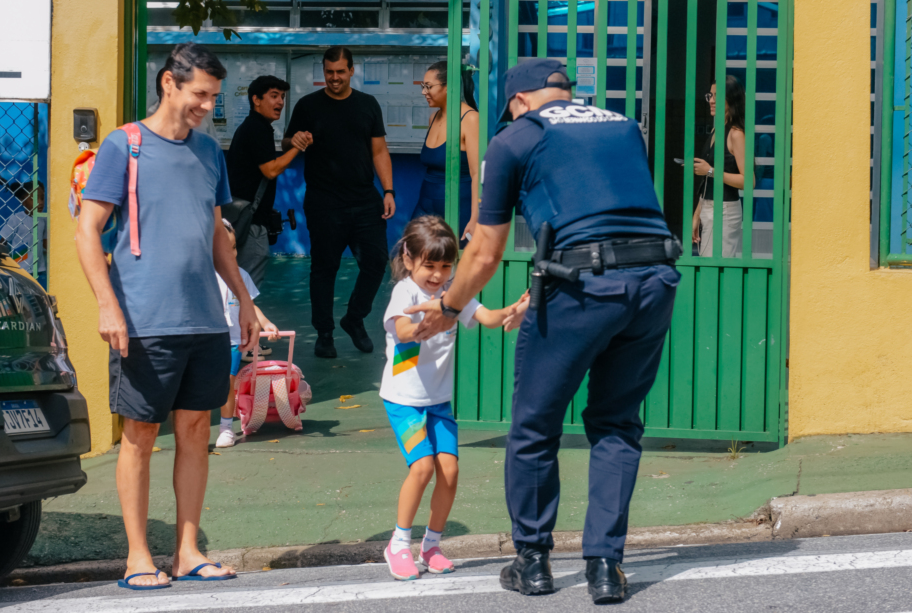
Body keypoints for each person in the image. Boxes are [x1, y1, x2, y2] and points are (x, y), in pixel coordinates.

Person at [406, 59, 680, 605]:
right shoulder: (623, 125)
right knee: (618, 424)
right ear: (566, 92)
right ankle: (606, 567)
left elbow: (485, 252)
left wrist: (448, 307)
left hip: (582, 287)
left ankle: (533, 561)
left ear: (518, 101)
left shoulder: (515, 138)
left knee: (535, 425)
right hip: (654, 280)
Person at [76, 43, 260, 590]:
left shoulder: (209, 152)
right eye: (199, 94)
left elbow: (217, 235)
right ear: (168, 83)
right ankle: (138, 557)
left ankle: (187, 552)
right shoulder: (124, 145)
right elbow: (87, 231)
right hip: (143, 320)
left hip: (204, 318)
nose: (206, 105)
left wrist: (244, 301)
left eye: (213, 96)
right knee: (140, 433)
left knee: (197, 430)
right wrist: (108, 305)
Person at [381, 216, 524, 581]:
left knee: (450, 470)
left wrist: (515, 310)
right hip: (404, 401)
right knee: (422, 467)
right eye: (430, 265)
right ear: (408, 258)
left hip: (438, 402)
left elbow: (489, 317)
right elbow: (402, 329)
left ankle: (431, 546)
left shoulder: (453, 294)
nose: (438, 274)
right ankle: (398, 544)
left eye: (446, 266)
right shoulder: (405, 293)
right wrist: (426, 324)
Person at [283, 46, 395, 359]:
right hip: (323, 202)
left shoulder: (367, 104)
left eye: (340, 72)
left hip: (365, 199)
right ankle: (324, 334)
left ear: (351, 71)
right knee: (324, 269)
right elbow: (286, 140)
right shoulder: (308, 105)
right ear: (324, 71)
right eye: (329, 72)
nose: (334, 78)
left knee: (376, 262)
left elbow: (379, 151)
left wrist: (389, 191)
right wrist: (296, 140)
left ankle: (354, 318)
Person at [227, 75, 304, 287]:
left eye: (282, 97)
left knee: (239, 282)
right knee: (246, 286)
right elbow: (270, 170)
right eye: (274, 96)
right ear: (256, 100)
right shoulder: (256, 128)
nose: (280, 102)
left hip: (243, 218)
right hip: (249, 223)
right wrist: (298, 146)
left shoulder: (255, 126)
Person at [215, 219, 280, 449]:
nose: (231, 253)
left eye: (234, 247)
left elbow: (250, 306)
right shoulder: (202, 275)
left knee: (227, 383)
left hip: (232, 341)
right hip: (207, 339)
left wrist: (266, 323)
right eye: (225, 247)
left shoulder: (240, 275)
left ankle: (225, 427)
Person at [414, 61, 481, 243]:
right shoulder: (433, 118)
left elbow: (478, 174)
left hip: (459, 208)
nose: (424, 92)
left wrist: (475, 218)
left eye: (429, 86)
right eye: (423, 86)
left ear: (448, 87)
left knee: (457, 259)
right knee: (412, 254)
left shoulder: (471, 119)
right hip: (425, 206)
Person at [692, 76, 746, 258]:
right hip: (710, 208)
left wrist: (709, 171)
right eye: (710, 95)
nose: (711, 100)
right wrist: (697, 215)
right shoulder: (717, 130)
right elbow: (708, 182)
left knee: (715, 268)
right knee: (712, 267)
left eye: (717, 95)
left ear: (732, 99)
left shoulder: (736, 134)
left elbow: (748, 180)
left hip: (724, 211)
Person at [0, 175, 47, 287]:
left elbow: (45, 244)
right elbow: (2, 242)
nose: (40, 202)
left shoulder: (43, 220)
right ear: (23, 201)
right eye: (34, 198)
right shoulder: (16, 219)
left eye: (42, 198)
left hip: (39, 270)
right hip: (21, 270)